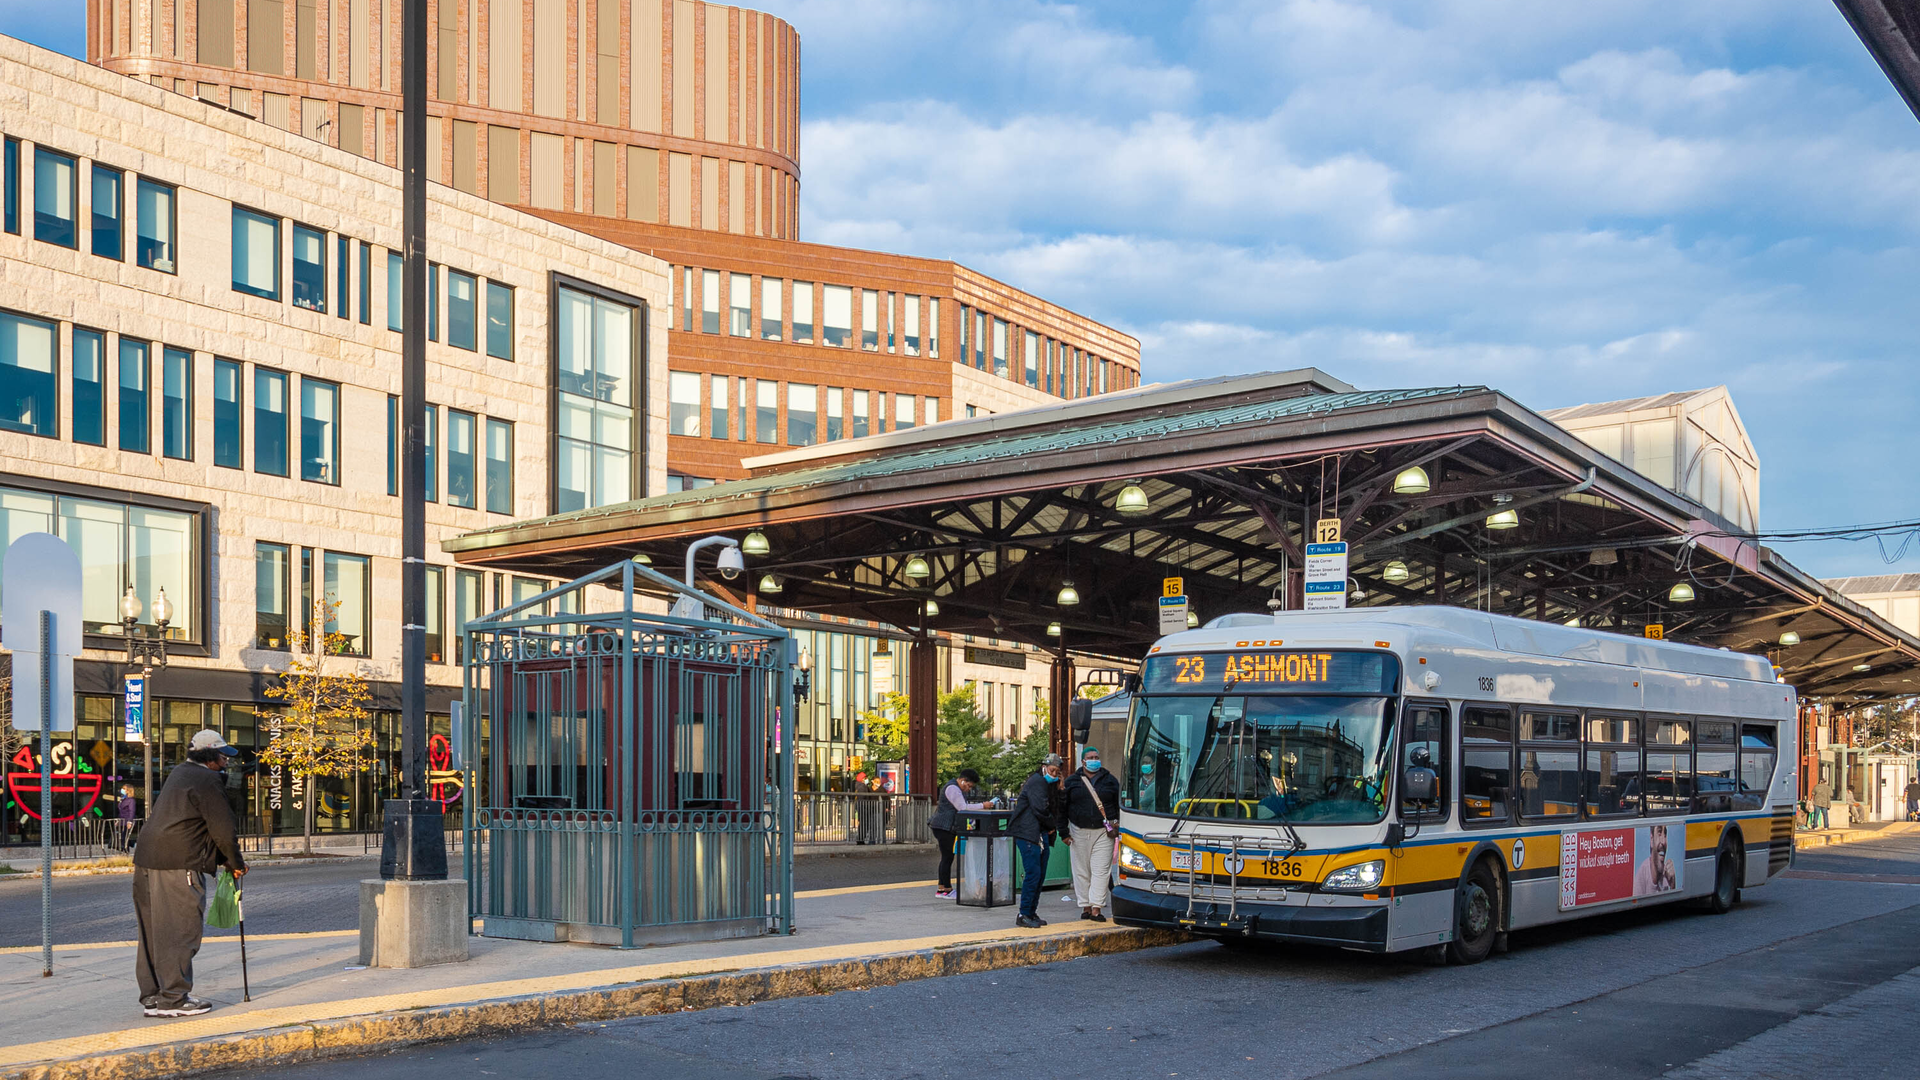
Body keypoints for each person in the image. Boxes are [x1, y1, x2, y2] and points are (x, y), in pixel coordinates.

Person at [132, 730, 246, 1018]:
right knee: (180, 930)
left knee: (153, 930)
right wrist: (235, 862)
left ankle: (153, 996)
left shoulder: (180, 773)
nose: (225, 762)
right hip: (178, 863)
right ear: (209, 756)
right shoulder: (208, 779)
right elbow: (222, 828)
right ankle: (173, 999)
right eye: (222, 756)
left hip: (147, 860)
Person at [1063, 747, 1121, 922]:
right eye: (1090, 757)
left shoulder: (1110, 781)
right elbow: (1062, 807)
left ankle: (1096, 908)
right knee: (1081, 870)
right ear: (1083, 761)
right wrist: (1063, 832)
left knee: (1101, 870)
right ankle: (1085, 906)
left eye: (1096, 757)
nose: (1094, 760)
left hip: (1103, 832)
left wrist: (1117, 823)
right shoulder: (1072, 781)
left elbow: (1118, 804)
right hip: (1078, 831)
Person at [1009, 753, 1065, 928]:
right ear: (1044, 767)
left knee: (1039, 875)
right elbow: (1040, 809)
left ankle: (1031, 912)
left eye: (1057, 772)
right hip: (1029, 832)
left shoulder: (1047, 784)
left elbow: (1055, 806)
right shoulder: (1037, 782)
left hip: (1038, 833)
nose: (1054, 774)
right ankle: (1024, 913)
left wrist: (1060, 787)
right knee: (1033, 874)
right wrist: (1051, 825)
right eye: (1052, 770)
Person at [928, 768, 989, 899]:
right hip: (944, 826)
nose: (969, 789)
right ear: (963, 781)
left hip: (945, 826)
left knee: (947, 857)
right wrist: (983, 805)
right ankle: (947, 890)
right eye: (969, 786)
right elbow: (963, 807)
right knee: (947, 857)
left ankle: (942, 888)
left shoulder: (956, 788)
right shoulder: (953, 788)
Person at [115, 784, 139, 852]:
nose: (122, 790)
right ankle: (130, 845)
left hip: (127, 821)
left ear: (128, 790)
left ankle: (126, 850)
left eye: (124, 789)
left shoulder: (131, 800)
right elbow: (121, 811)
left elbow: (132, 811)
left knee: (124, 836)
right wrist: (118, 820)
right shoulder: (123, 799)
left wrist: (130, 821)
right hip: (121, 820)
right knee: (121, 837)